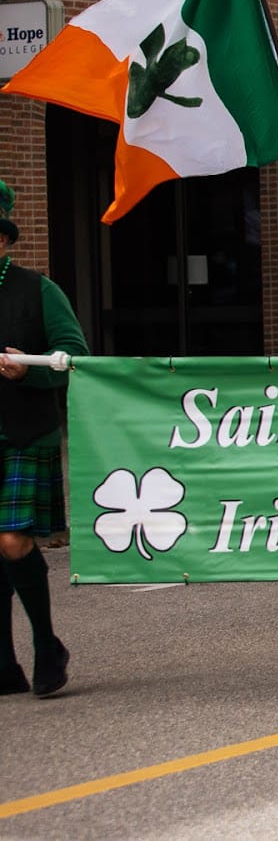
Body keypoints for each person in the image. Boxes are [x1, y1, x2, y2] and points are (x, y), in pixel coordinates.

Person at [0, 180, 88, 697]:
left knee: (12, 540)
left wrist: (26, 371)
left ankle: (46, 644)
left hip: (24, 430)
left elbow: (70, 357)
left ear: (5, 240)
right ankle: (4, 663)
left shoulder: (38, 290)